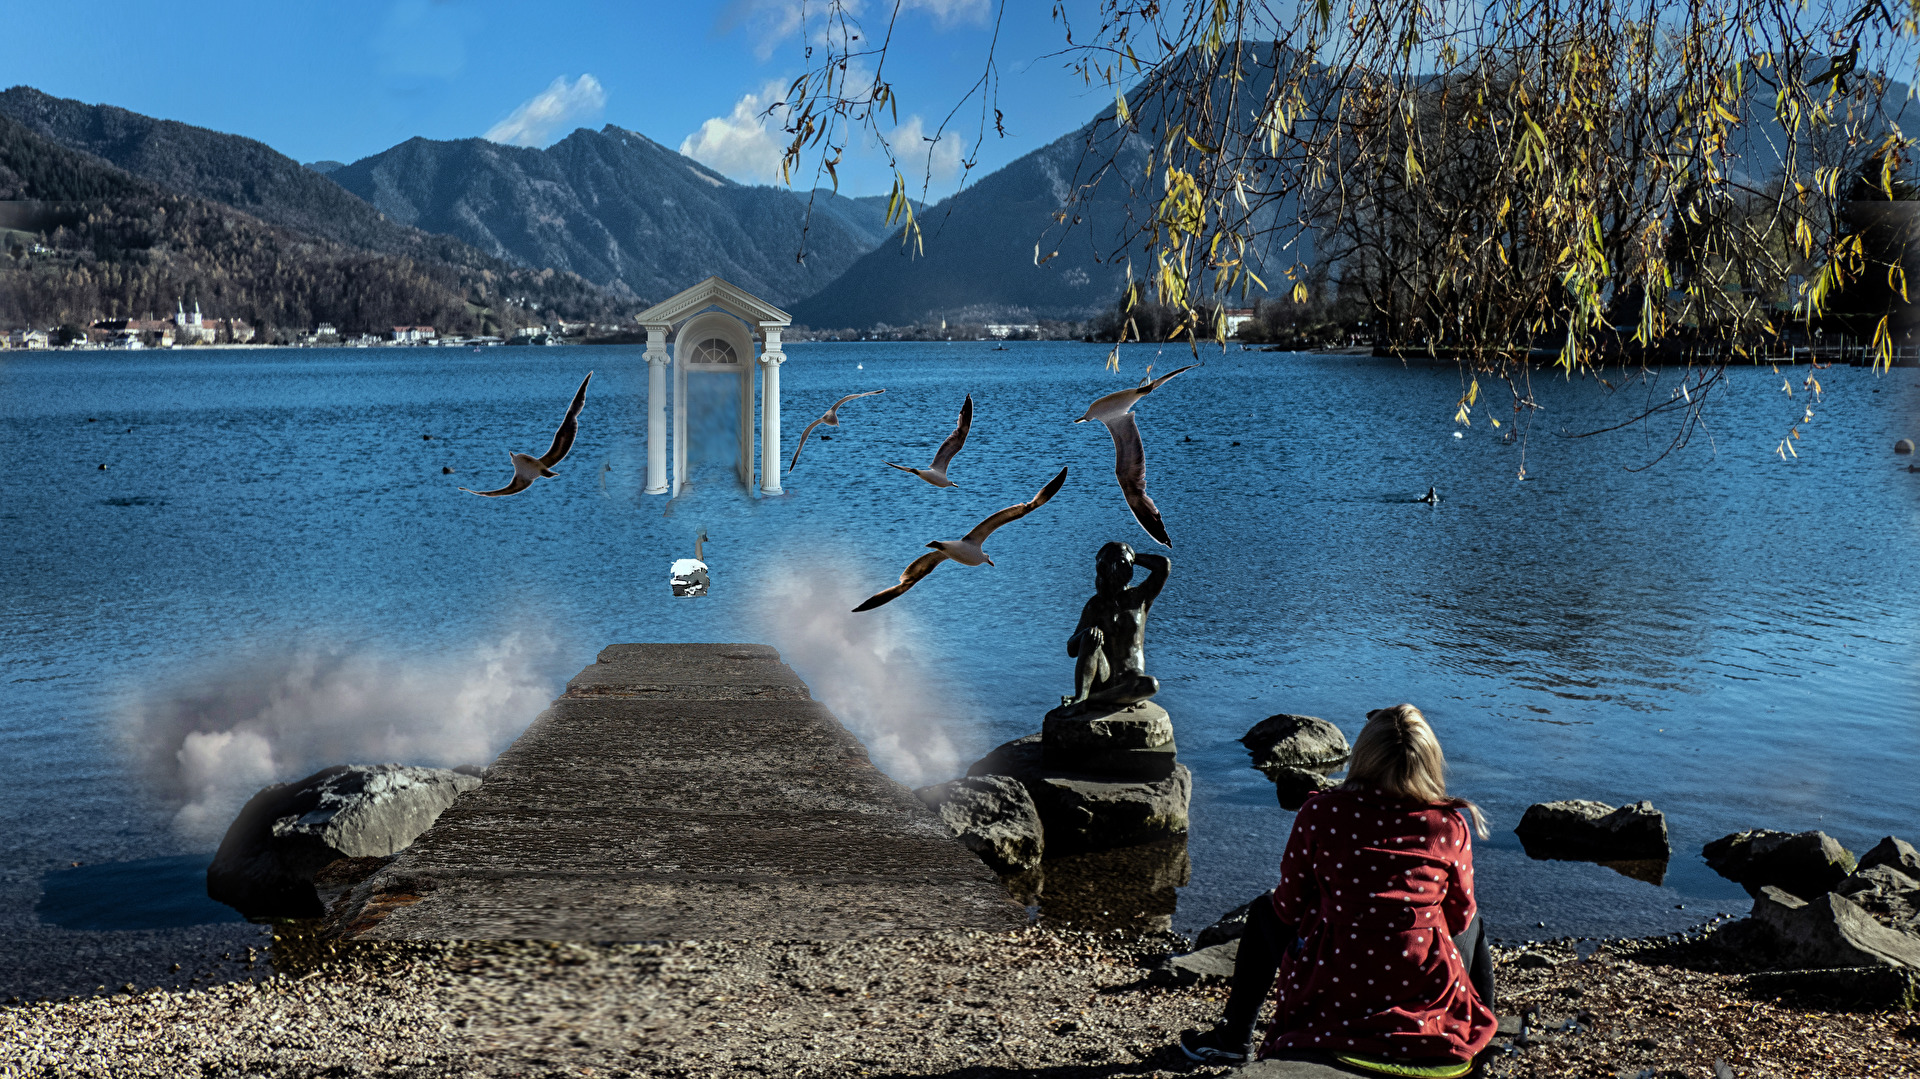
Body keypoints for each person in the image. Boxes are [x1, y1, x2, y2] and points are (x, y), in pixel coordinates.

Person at [1181, 704, 1498, 1076]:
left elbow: (1288, 907)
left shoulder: (1321, 813)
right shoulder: (1447, 824)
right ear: (1429, 761)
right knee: (1474, 922)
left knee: (1264, 910)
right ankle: (1480, 1043)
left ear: (1362, 756)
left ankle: (1233, 1040)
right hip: (1418, 978)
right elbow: (1459, 918)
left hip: (1335, 977)